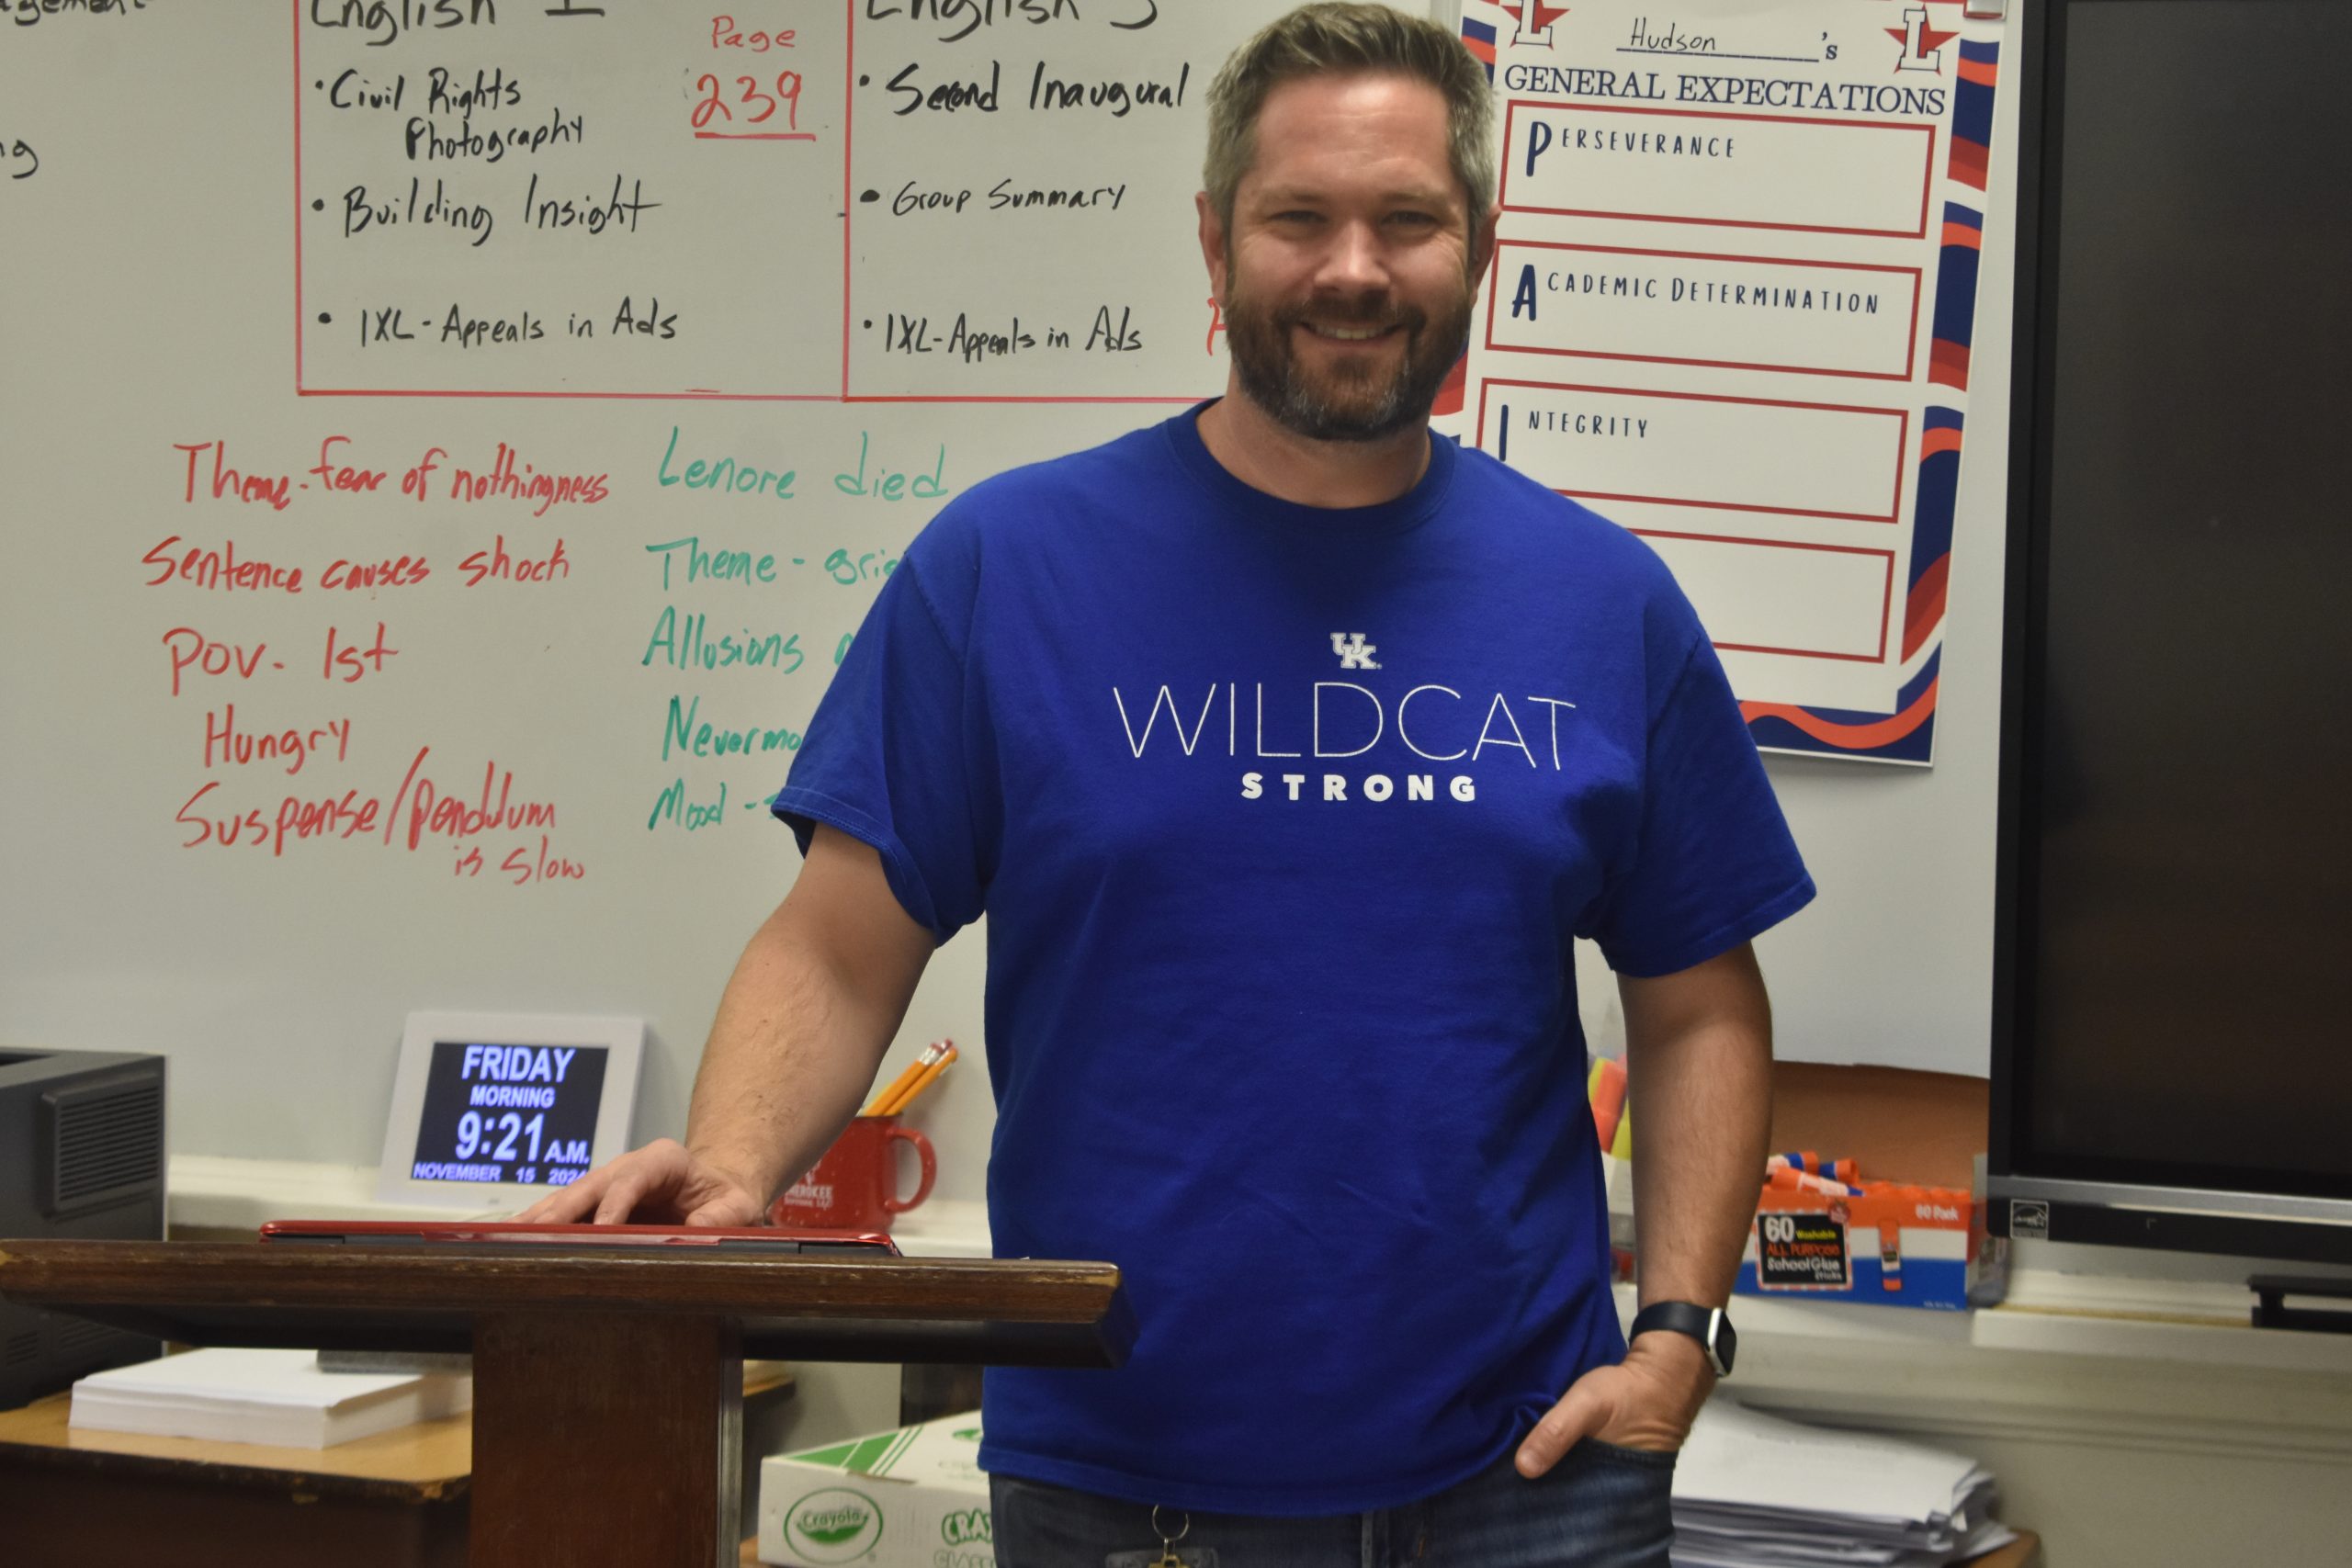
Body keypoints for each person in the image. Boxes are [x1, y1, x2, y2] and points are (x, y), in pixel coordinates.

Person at [523, 5, 1813, 1562]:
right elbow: (837, 942)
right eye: (1299, 218)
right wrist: (729, 1173)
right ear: (1215, 242)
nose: (1354, 267)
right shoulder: (1007, 568)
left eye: (1407, 219)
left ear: (1478, 245)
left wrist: (1676, 1338)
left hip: (1530, 1481)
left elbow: (1697, 1000)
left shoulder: (1604, 601)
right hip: (1126, 1482)